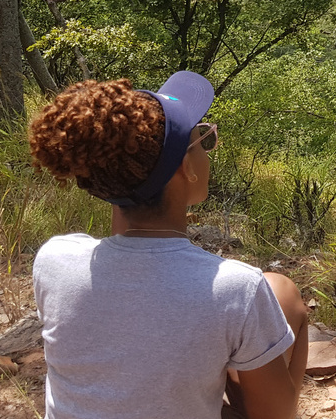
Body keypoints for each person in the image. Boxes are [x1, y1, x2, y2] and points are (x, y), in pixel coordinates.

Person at [27, 71, 308, 419]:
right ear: (184, 166)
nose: (209, 149)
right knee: (284, 293)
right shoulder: (237, 289)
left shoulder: (55, 260)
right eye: (202, 140)